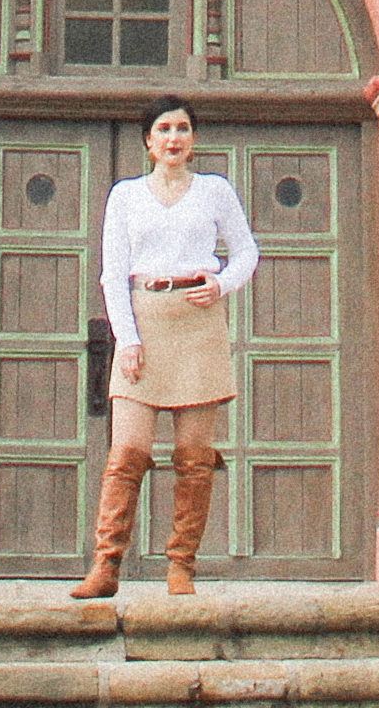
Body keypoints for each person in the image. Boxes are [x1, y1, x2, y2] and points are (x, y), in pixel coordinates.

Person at [70, 100, 254, 599]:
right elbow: (112, 273)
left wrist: (222, 286)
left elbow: (246, 252)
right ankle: (106, 566)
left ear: (193, 139)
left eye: (183, 129)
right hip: (144, 318)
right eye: (164, 129)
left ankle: (181, 567)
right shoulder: (126, 196)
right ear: (148, 141)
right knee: (127, 453)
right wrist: (126, 339)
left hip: (197, 323)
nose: (174, 138)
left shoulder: (215, 191)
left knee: (194, 457)